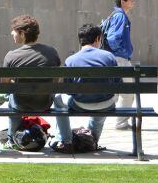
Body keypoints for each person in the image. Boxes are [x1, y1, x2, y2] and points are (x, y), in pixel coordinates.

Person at [50, 24, 120, 153]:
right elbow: (117, 83)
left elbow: (67, 89)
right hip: (106, 105)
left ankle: (65, 141)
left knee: (58, 98)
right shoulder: (109, 57)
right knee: (104, 97)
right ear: (98, 38)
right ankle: (92, 140)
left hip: (80, 104)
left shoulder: (71, 60)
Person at [3, 15, 61, 148]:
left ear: (22, 34)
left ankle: (11, 140)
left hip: (20, 104)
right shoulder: (52, 52)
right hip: (44, 103)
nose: (12, 33)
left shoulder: (11, 56)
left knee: (11, 95)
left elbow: (4, 85)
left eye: (14, 31)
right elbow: (55, 82)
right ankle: (62, 138)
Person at [104, 0, 136, 130]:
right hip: (119, 59)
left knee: (118, 92)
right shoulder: (120, 16)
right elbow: (113, 39)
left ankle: (116, 121)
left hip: (116, 58)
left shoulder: (117, 15)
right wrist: (123, 53)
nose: (133, 1)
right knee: (128, 92)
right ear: (123, 2)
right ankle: (121, 123)